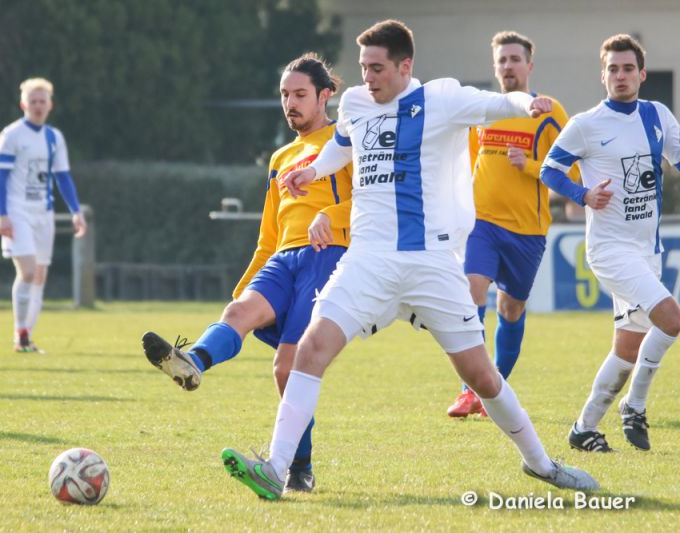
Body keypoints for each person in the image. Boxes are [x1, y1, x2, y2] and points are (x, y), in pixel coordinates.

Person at [220, 19, 599, 501]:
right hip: (367, 261)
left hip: (430, 264)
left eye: (377, 68)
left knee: (481, 376)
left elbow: (498, 103)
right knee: (310, 350)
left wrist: (529, 104)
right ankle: (276, 469)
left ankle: (542, 464)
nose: (367, 77)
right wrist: (311, 172)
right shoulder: (356, 103)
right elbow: (341, 146)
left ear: (405, 66)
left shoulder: (441, 99)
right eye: (363, 67)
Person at [141, 53, 352, 493]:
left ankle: (299, 468)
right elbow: (268, 235)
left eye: (300, 94)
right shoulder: (280, 157)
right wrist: (242, 289)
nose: (290, 103)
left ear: (325, 96)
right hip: (282, 259)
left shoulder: (345, 142)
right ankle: (193, 362)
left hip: (326, 256)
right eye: (284, 95)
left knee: (286, 369)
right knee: (236, 314)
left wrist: (332, 217)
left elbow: (372, 203)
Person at [542, 34, 680, 452]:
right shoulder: (586, 124)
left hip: (647, 250)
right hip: (609, 250)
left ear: (641, 74)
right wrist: (583, 194)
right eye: (613, 69)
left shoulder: (657, 115)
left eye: (628, 68)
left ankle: (584, 428)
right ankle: (634, 406)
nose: (620, 76)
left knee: (626, 350)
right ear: (603, 75)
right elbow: (549, 171)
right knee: (671, 319)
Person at [447, 31, 581, 417]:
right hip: (482, 224)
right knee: (471, 292)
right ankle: (469, 390)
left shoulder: (549, 111)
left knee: (511, 309)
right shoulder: (485, 112)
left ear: (529, 66)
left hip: (527, 231)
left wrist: (531, 166)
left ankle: (492, 391)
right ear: (495, 68)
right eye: (502, 60)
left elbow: (572, 171)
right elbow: (469, 165)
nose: (508, 66)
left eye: (515, 59)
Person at [0, 78, 86, 353]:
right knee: (28, 271)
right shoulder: (11, 135)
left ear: (50, 105)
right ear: (23, 104)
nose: (37, 105)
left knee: (40, 277)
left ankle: (27, 337)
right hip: (17, 211)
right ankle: (20, 333)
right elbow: (0, 178)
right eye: (32, 101)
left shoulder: (54, 137)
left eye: (42, 101)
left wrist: (76, 211)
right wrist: (2, 214)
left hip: (43, 214)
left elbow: (63, 177)